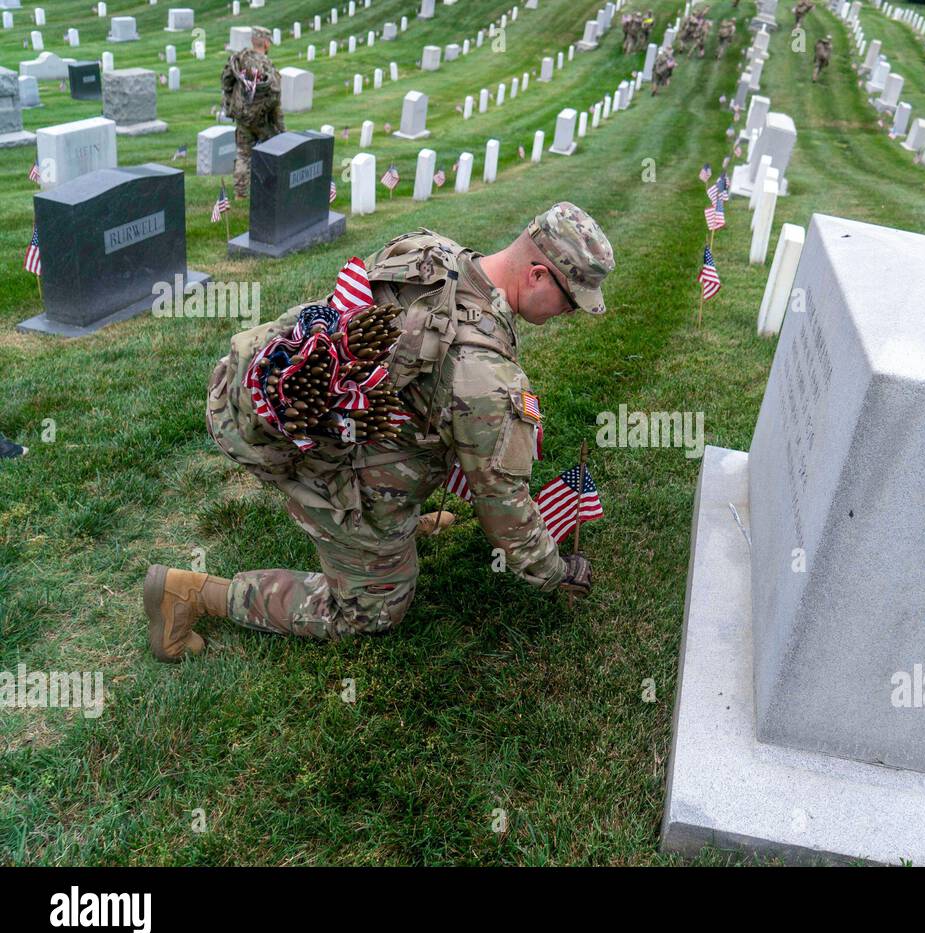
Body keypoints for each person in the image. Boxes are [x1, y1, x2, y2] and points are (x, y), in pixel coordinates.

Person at [143, 204, 615, 662]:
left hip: (255, 392)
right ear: (536, 275)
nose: (569, 313)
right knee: (373, 615)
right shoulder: (486, 380)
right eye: (570, 300)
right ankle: (192, 594)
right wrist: (556, 570)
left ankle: (394, 522)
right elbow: (504, 511)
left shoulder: (430, 252)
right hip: (311, 451)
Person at [221, 26, 285, 199]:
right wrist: (281, 128)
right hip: (262, 121)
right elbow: (275, 97)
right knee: (271, 153)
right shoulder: (268, 66)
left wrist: (231, 103)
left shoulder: (238, 59)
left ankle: (240, 194)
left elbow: (226, 80)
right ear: (265, 43)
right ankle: (269, 189)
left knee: (243, 154)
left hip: (242, 117)